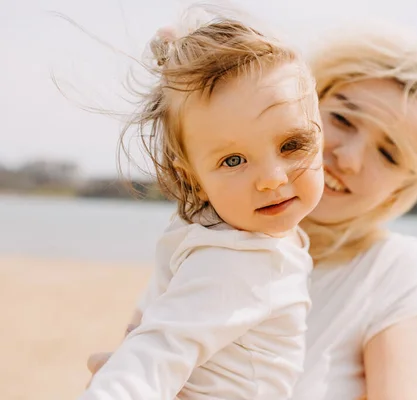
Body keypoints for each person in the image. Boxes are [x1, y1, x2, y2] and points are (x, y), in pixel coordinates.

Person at [88, 20, 417, 400]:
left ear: (403, 186)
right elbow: (142, 364)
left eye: (388, 153)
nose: (349, 157)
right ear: (308, 104)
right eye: (343, 119)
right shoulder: (209, 236)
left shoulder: (395, 270)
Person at [79, 7, 325, 400]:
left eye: (292, 145)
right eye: (233, 160)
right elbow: (156, 352)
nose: (272, 179)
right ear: (193, 177)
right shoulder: (239, 259)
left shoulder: (208, 228)